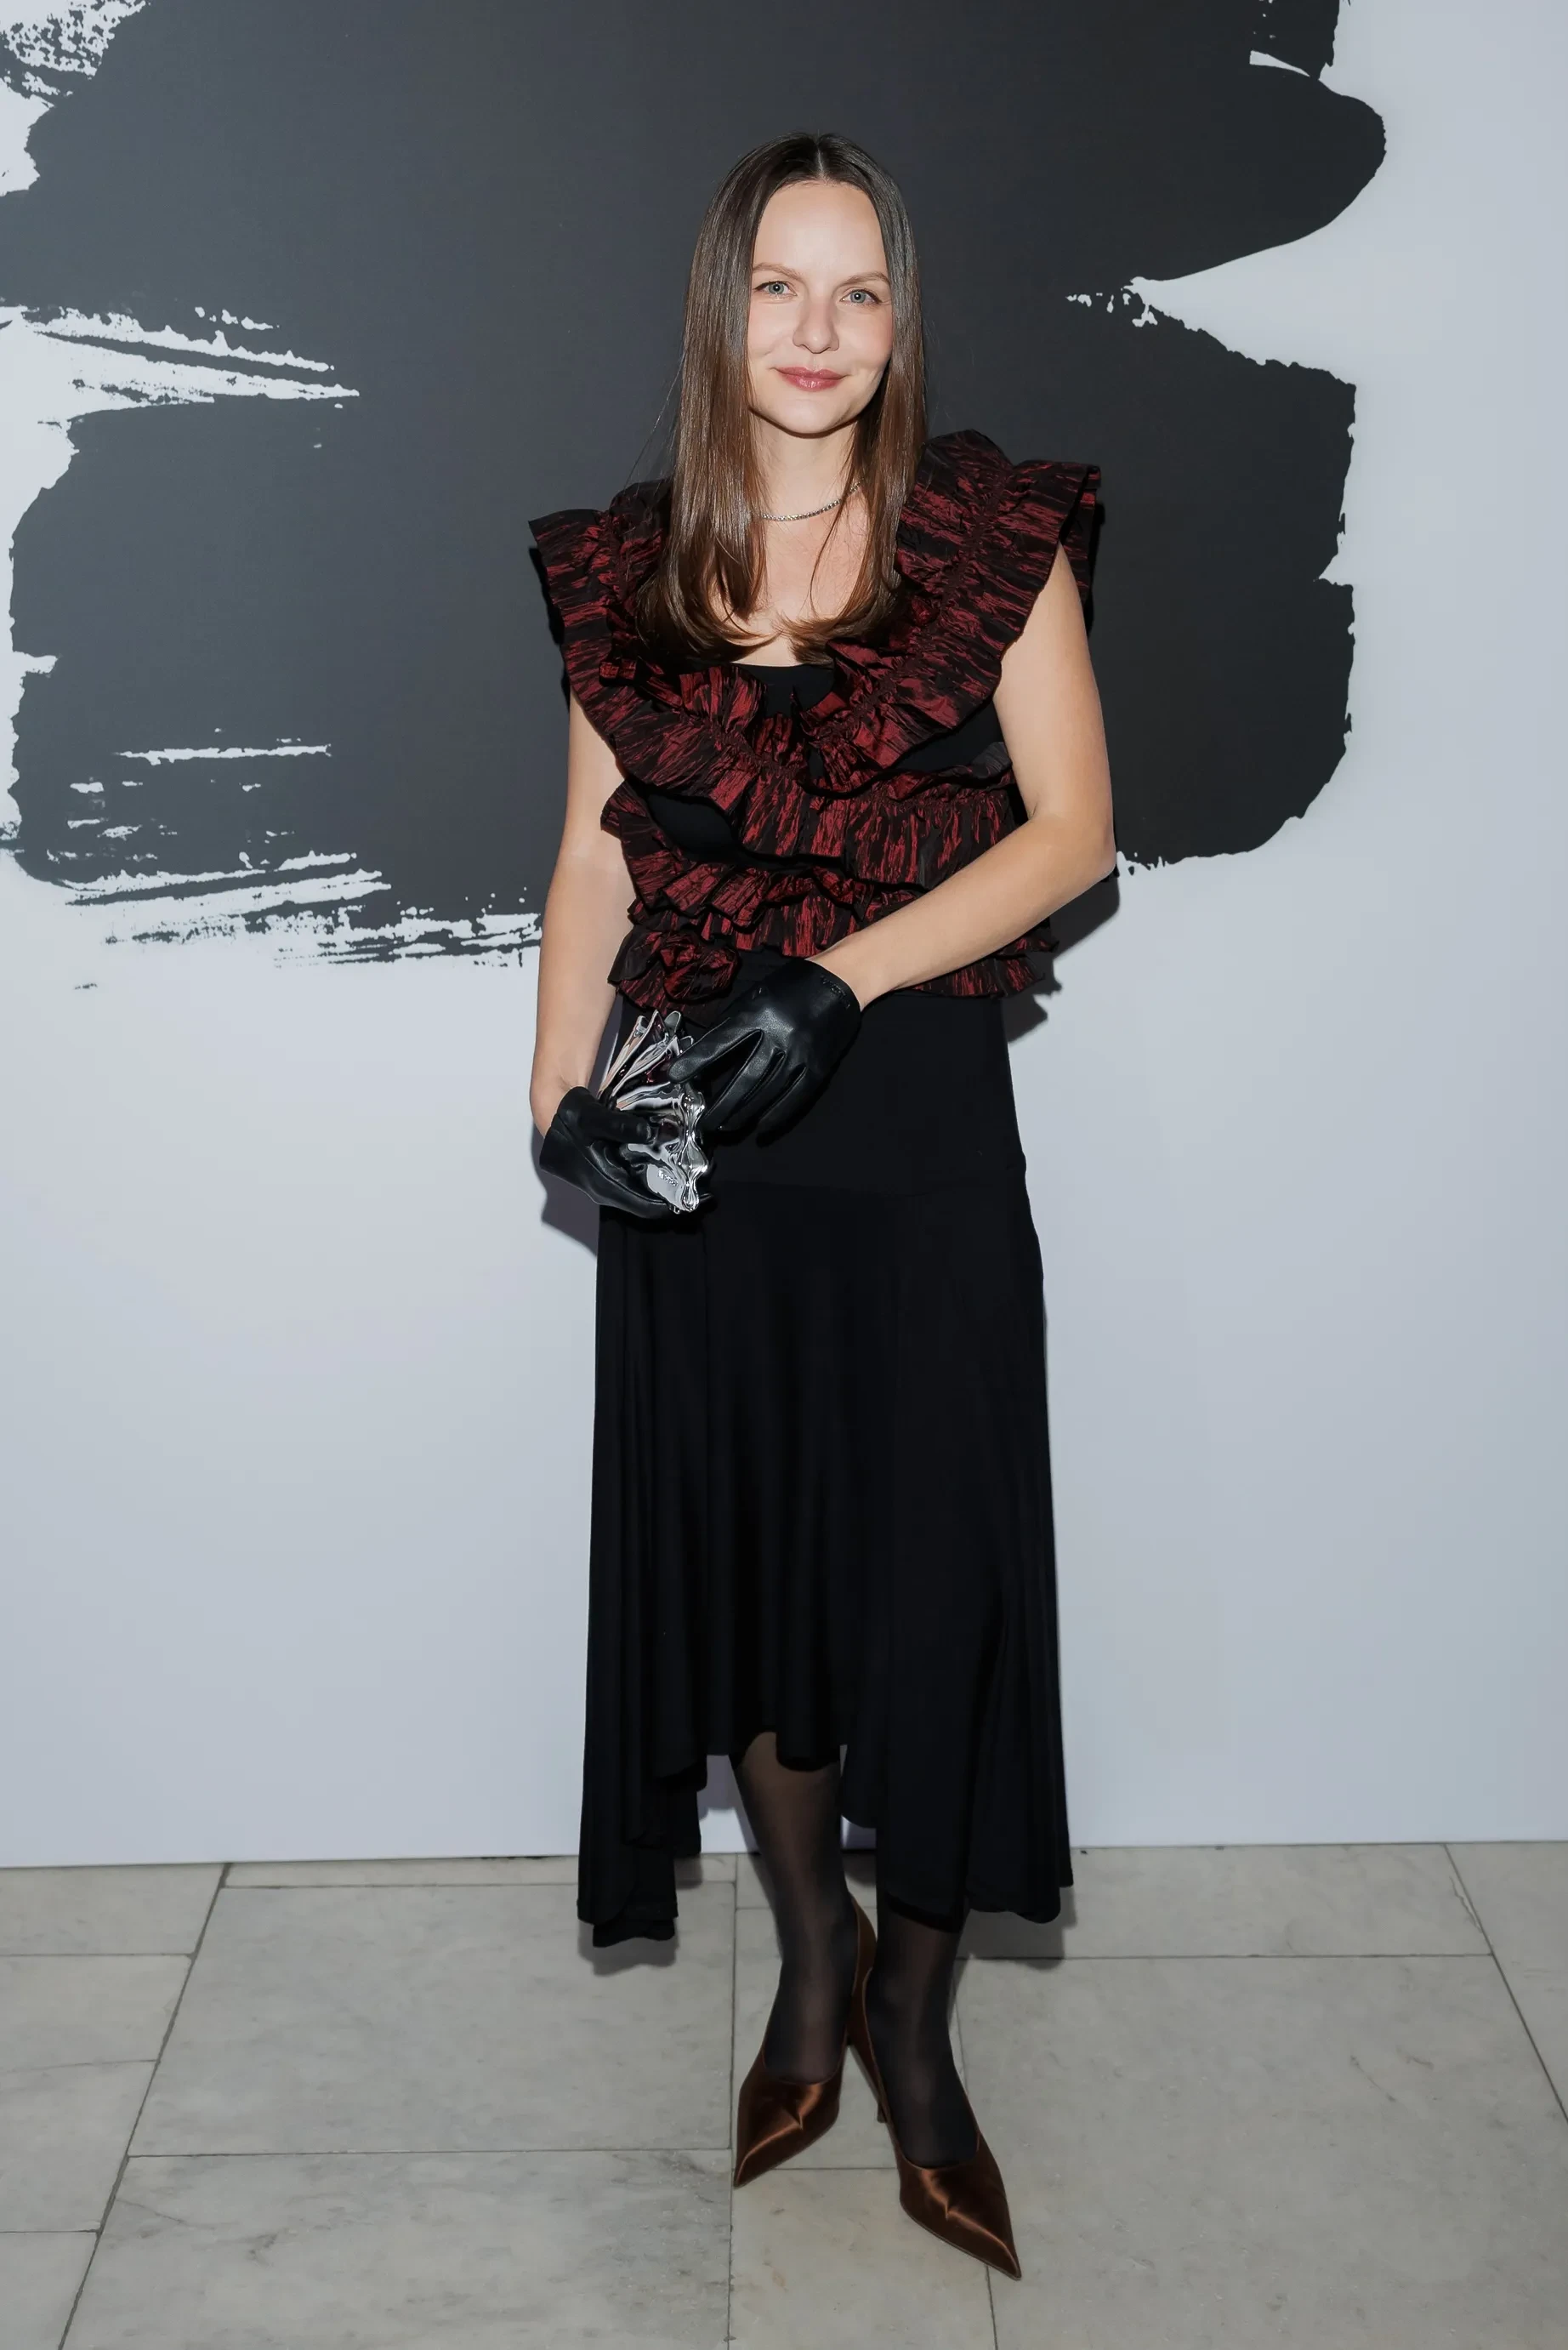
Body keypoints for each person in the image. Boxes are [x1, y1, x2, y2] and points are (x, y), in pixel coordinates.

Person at [527, 129, 1111, 2279]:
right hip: (709, 1156)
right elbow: (589, 860)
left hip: (921, 1138)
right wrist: (555, 1100)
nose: (817, 330)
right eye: (780, 285)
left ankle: (919, 2037)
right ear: (723, 306)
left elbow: (1073, 831)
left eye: (858, 292)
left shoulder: (984, 540)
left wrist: (838, 977)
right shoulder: (631, 566)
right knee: (760, 1598)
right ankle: (810, 1965)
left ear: (897, 322)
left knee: (936, 1596)